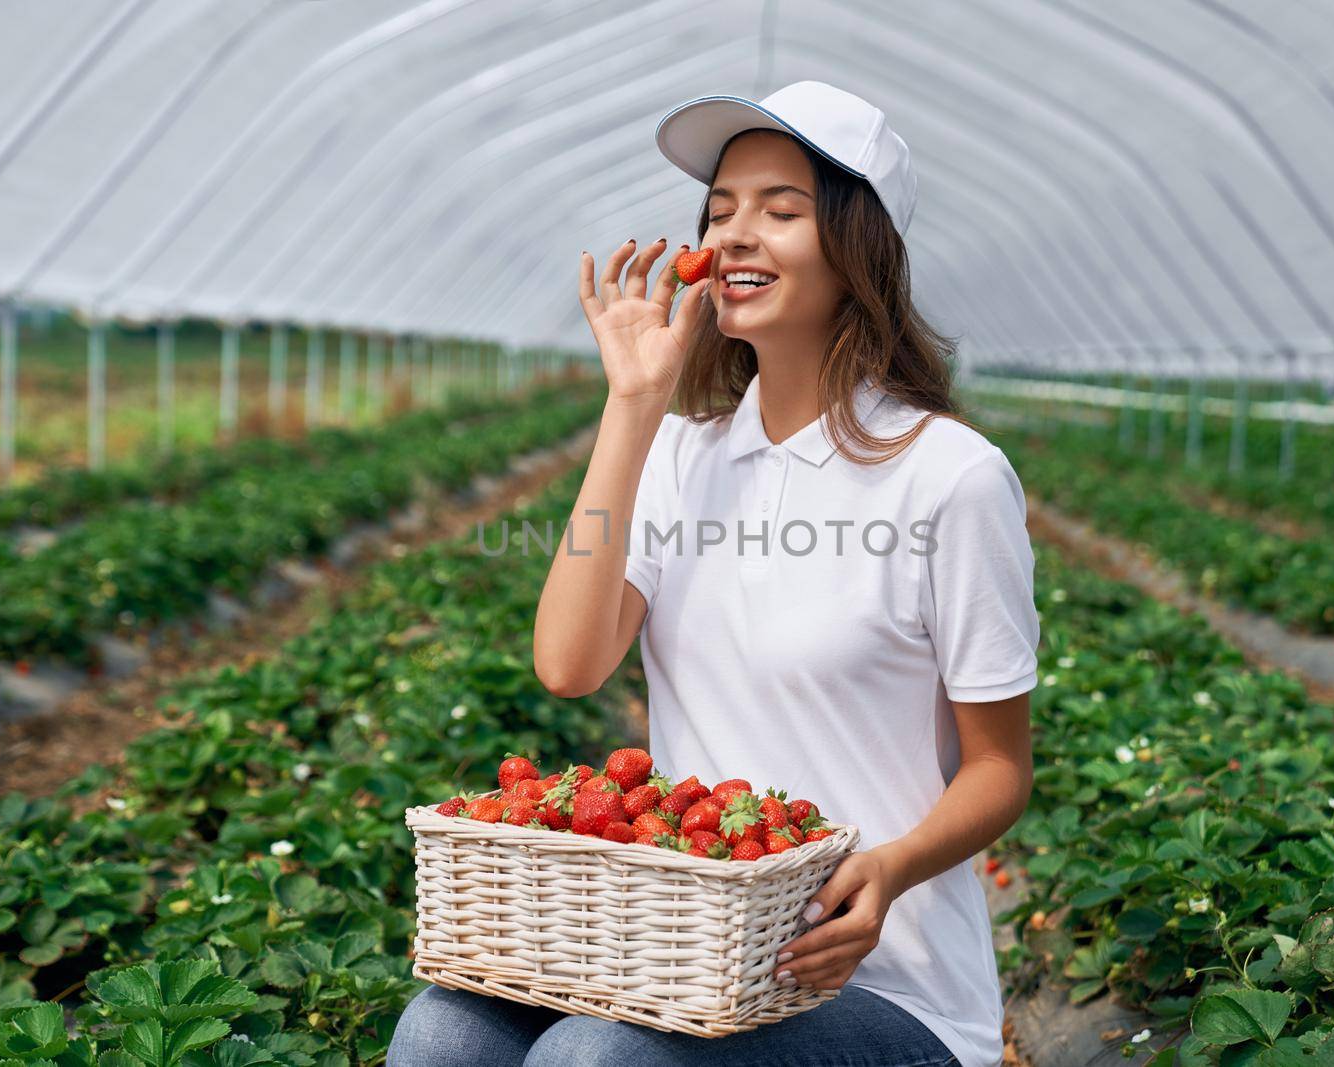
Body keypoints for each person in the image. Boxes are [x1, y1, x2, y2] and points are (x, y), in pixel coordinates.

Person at [389, 80, 1039, 1067]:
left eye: (781, 210)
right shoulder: (681, 456)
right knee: (440, 1030)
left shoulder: (947, 476)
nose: (736, 234)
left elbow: (999, 767)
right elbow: (569, 664)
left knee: (596, 1059)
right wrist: (634, 400)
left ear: (859, 247)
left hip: (874, 977)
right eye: (721, 210)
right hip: (682, 949)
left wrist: (889, 867)